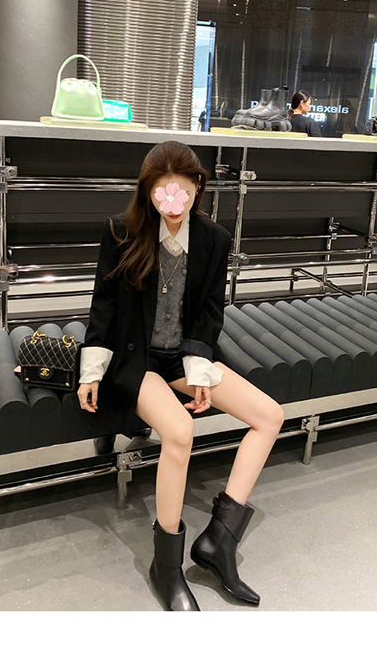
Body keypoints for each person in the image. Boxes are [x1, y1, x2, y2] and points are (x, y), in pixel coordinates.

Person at [77, 140, 285, 611]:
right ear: (148, 191)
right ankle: (166, 565)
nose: (172, 204)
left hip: (181, 358)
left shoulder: (214, 239)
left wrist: (198, 369)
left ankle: (219, 540)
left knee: (269, 416)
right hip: (135, 360)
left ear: (197, 188)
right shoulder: (122, 232)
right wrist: (92, 371)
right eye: (162, 193)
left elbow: (209, 313)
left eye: (183, 193)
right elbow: (103, 306)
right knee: (180, 431)